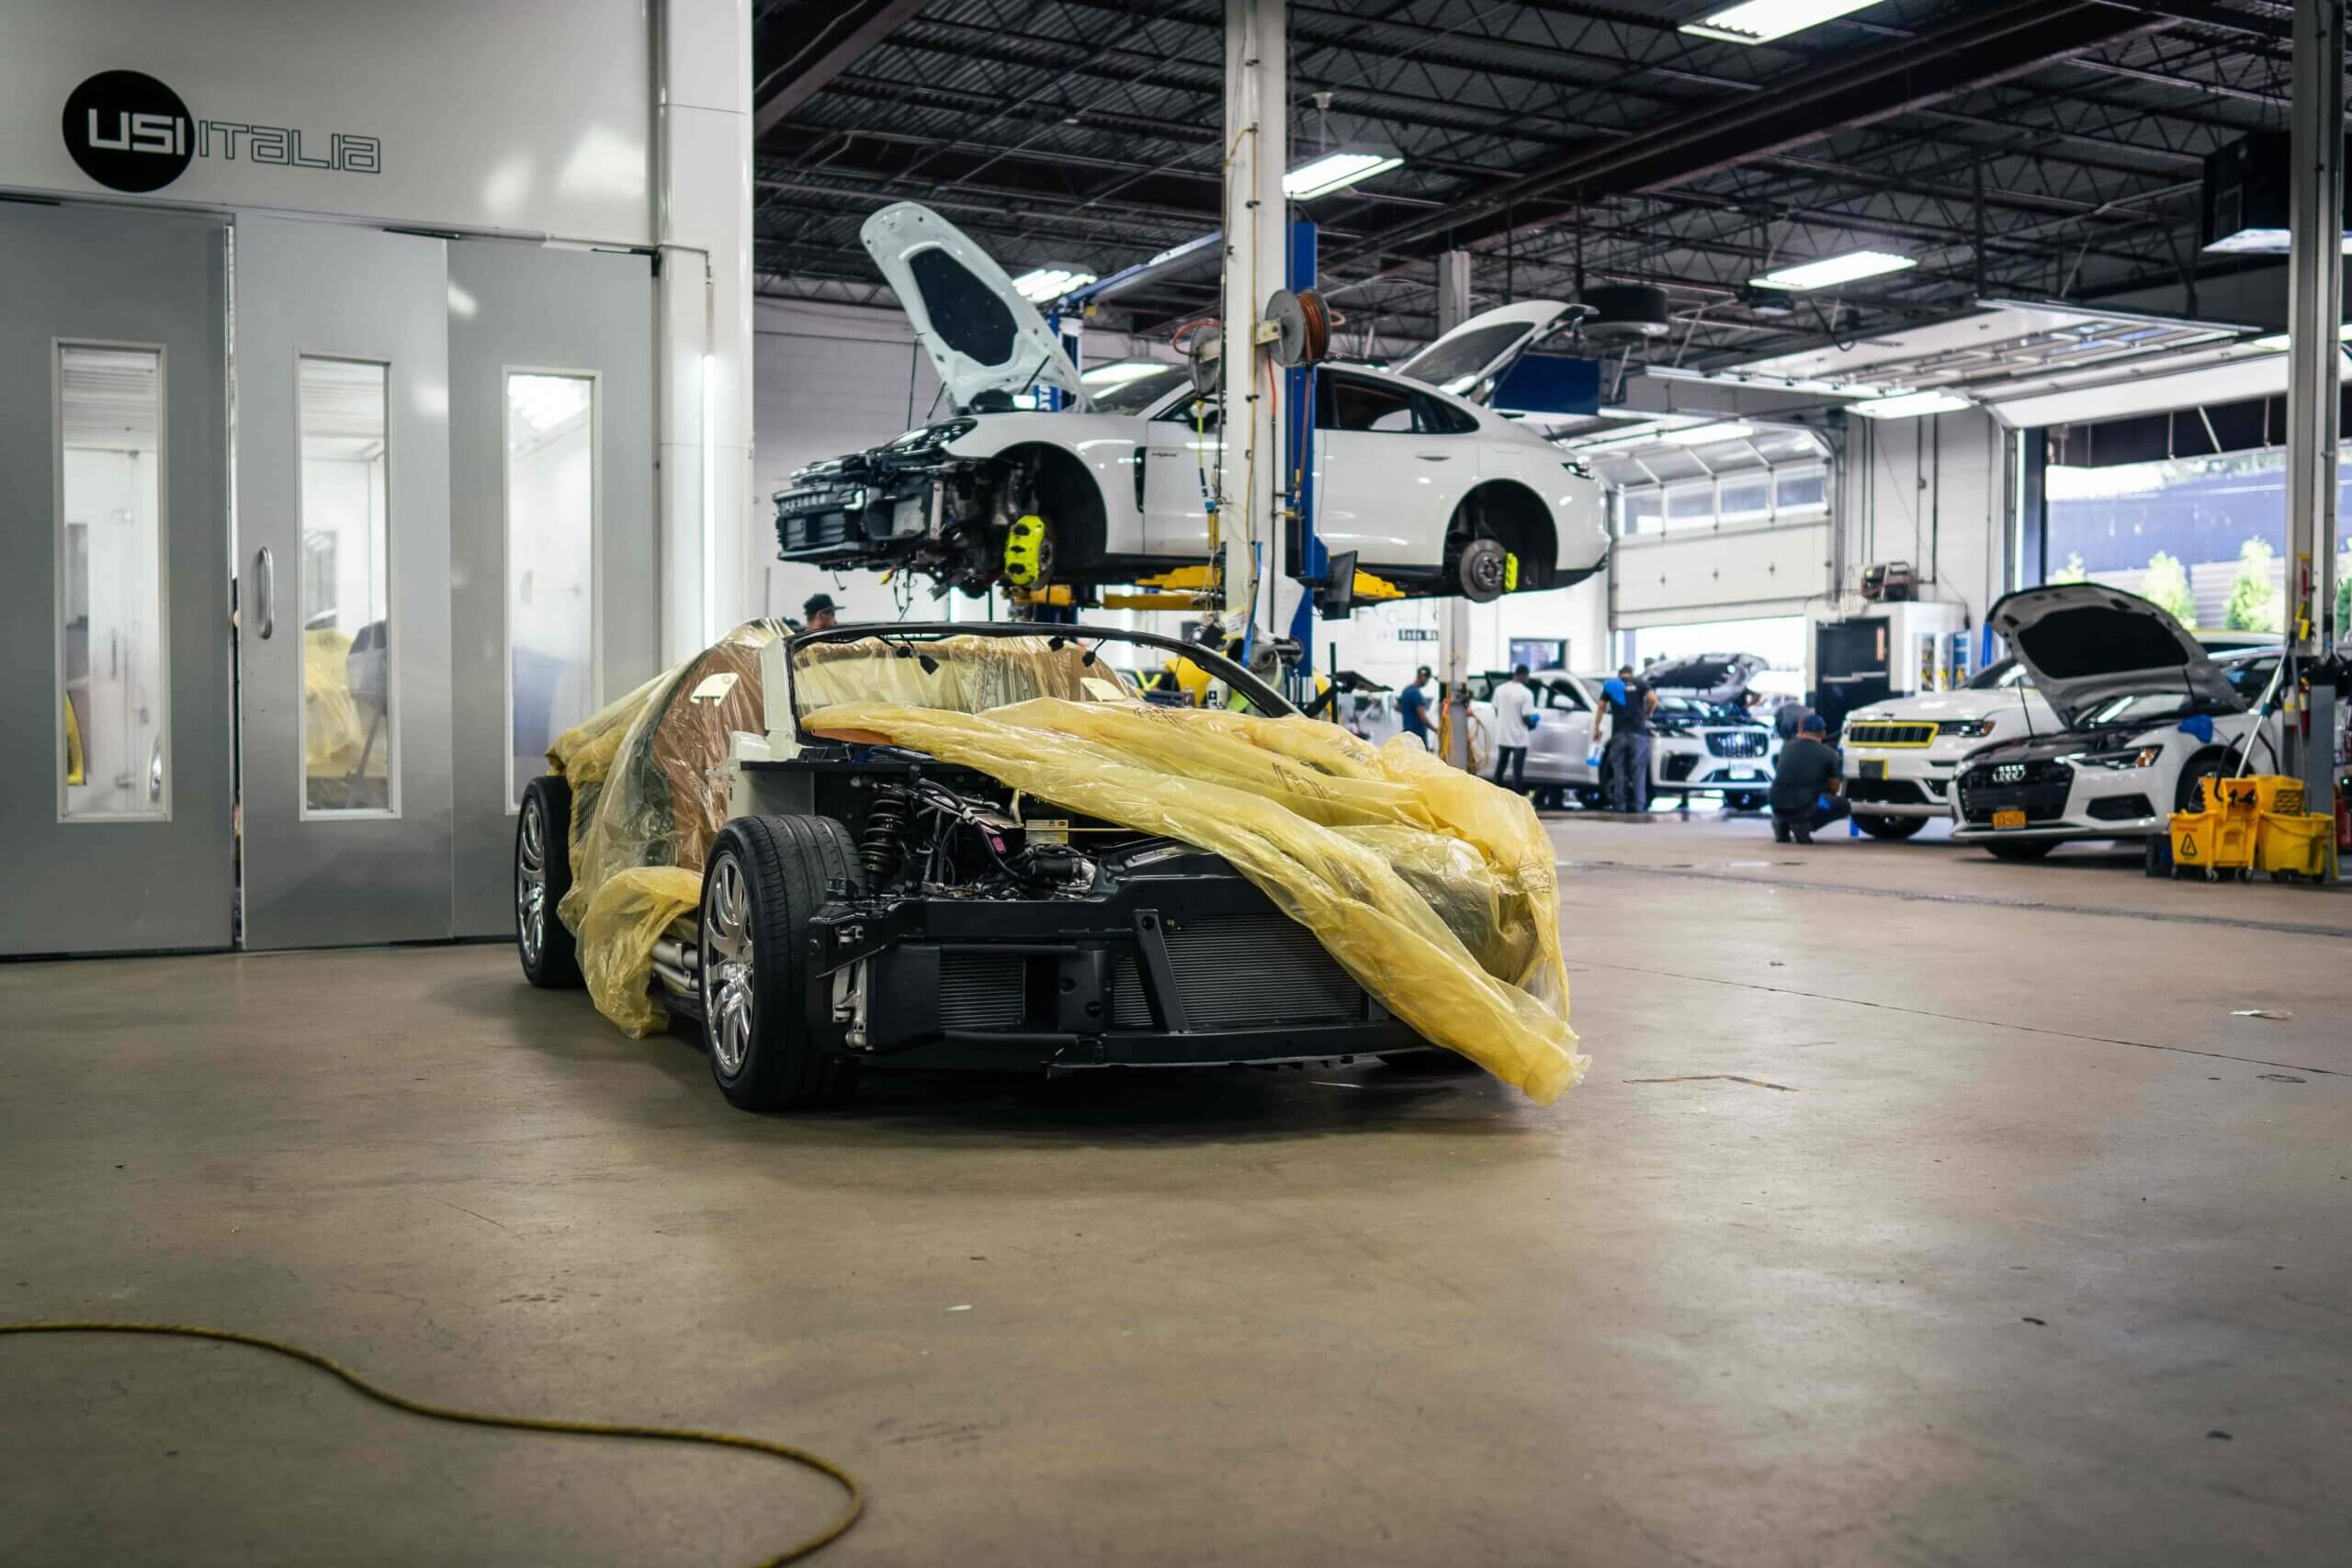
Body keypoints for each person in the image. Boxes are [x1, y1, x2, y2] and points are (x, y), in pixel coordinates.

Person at [1769, 711, 1850, 844]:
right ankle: (1805, 825)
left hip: (1776, 803)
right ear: (1823, 733)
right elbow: (1835, 785)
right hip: (1804, 806)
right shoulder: (1829, 754)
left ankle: (1781, 823)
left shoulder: (1786, 747)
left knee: (1796, 793)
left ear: (1802, 730)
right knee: (1843, 805)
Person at [1599, 663, 1655, 812]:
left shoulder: (1612, 686)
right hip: (1638, 733)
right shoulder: (1641, 683)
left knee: (1618, 771)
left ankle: (1620, 805)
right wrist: (1647, 713)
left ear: (1620, 674)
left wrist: (1596, 728)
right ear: (1632, 673)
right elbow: (1653, 699)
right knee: (1638, 771)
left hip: (1618, 734)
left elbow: (1601, 707)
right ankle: (1638, 805)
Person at [1490, 664, 1535, 792]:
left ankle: (1494, 794)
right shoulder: (1526, 693)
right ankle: (1517, 796)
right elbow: (1526, 717)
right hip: (1519, 738)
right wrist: (1532, 725)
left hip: (1503, 735)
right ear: (1524, 675)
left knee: (1500, 767)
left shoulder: (1500, 689)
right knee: (1517, 770)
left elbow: (1496, 709)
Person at [1396, 665, 1432, 744]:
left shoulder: (1405, 691)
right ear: (1423, 676)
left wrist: (1409, 713)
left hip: (1407, 735)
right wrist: (1435, 729)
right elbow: (1422, 717)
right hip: (1418, 736)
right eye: (1427, 679)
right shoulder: (1416, 693)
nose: (1427, 682)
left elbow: (1397, 707)